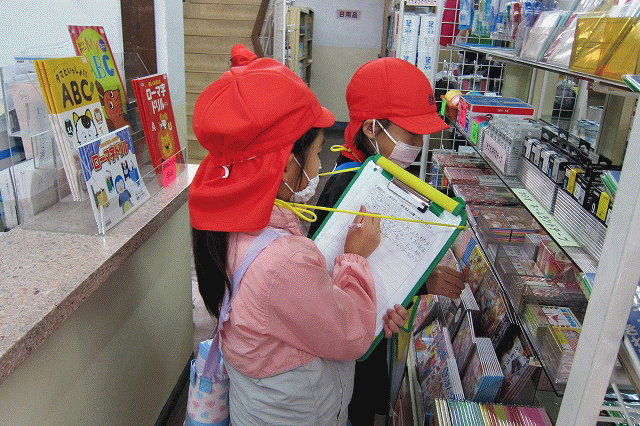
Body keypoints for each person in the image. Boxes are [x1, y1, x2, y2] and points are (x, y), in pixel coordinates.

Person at [188, 51, 407, 426]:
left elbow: (295, 310)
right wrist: (355, 258)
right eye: (317, 154)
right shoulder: (283, 260)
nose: (320, 166)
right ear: (287, 165)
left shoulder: (228, 222)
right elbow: (351, 338)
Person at [307, 57, 465, 425]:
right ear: (372, 128)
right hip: (347, 356)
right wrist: (422, 282)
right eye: (411, 134)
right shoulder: (349, 188)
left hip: (363, 335)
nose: (418, 145)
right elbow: (333, 280)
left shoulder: (374, 176)